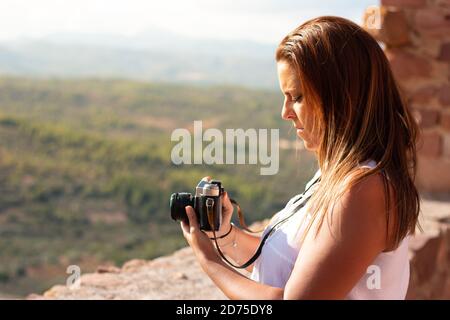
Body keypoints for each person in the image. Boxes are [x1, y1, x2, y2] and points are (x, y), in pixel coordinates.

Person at [180, 16, 420, 300]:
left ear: (342, 97)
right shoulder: (336, 176)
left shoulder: (364, 189)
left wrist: (209, 260)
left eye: (297, 96)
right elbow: (288, 261)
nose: (286, 112)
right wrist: (223, 234)